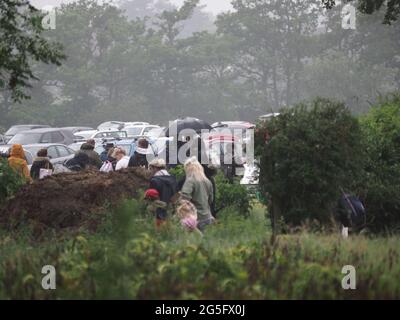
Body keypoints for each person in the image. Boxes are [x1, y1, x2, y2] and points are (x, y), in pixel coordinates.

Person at [181, 157, 215, 231]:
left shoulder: (190, 181)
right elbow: (211, 200)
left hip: (195, 219)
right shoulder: (207, 181)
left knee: (194, 242)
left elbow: (185, 199)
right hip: (208, 217)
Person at [149, 159, 178, 228]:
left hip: (158, 214)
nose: (150, 171)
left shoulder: (154, 180)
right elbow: (176, 196)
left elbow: (152, 198)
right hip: (171, 213)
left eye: (150, 168)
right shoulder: (173, 179)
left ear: (155, 168)